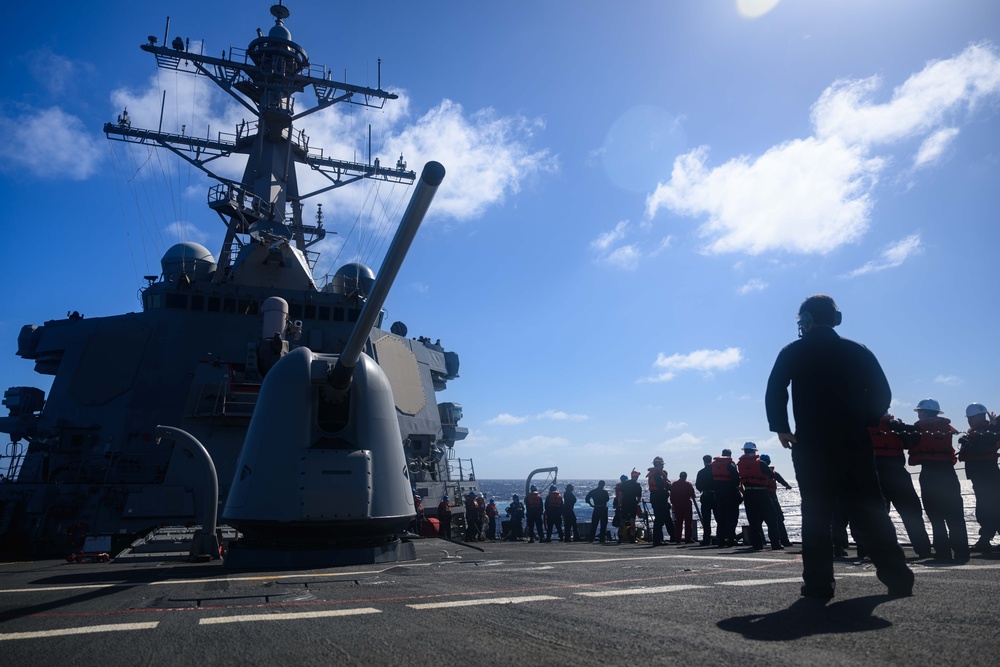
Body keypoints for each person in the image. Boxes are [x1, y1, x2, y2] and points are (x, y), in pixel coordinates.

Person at [765, 294, 913, 599]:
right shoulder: (856, 349)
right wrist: (867, 418)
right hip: (855, 440)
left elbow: (775, 388)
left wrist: (781, 427)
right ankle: (898, 577)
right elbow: (882, 392)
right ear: (836, 319)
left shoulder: (793, 350)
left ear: (805, 321)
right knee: (870, 509)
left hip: (811, 443)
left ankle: (819, 585)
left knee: (816, 513)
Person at [901, 398, 969, 562]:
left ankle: (942, 553)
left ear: (923, 413)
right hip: (948, 472)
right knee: (956, 515)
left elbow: (906, 444)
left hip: (929, 473)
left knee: (936, 517)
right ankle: (962, 552)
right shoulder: (947, 428)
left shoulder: (917, 429)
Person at [869, 413, 932, 557]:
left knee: (877, 515)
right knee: (911, 512)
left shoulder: (867, 425)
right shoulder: (895, 425)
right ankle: (923, 549)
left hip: (876, 473)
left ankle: (877, 550)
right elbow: (912, 440)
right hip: (896, 473)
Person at [958, 403, 1000, 553]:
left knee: (987, 509)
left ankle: (984, 540)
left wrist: (966, 444)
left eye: (971, 418)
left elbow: (979, 448)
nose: (969, 421)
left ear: (978, 417)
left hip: (986, 475)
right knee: (992, 507)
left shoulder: (985, 433)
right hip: (984, 476)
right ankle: (985, 540)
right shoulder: (985, 431)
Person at [737, 442, 783, 551]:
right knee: (772, 519)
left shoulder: (740, 464)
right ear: (754, 450)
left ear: (744, 451)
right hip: (762, 492)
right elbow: (771, 475)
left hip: (748, 493)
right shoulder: (761, 463)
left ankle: (757, 545)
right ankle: (775, 544)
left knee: (753, 521)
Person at [759, 454, 793, 547]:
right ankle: (784, 541)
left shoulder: (757, 473)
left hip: (759, 498)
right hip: (772, 498)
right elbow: (781, 480)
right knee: (778, 519)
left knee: (758, 522)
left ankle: (760, 542)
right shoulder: (773, 472)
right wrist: (787, 486)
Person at [711, 449, 741, 547]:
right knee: (732, 517)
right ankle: (731, 539)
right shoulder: (730, 465)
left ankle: (721, 539)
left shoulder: (714, 465)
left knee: (721, 517)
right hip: (730, 494)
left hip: (719, 495)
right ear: (730, 455)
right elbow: (737, 478)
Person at [646, 456, 673, 546]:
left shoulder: (654, 474)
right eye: (662, 464)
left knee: (659, 519)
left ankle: (657, 539)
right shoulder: (658, 475)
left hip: (654, 497)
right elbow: (661, 487)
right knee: (659, 519)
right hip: (660, 498)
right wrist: (667, 491)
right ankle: (657, 540)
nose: (662, 466)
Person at [670, 472, 697, 543]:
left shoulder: (674, 484)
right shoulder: (688, 484)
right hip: (686, 505)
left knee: (678, 522)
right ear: (685, 477)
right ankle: (688, 538)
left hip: (677, 505)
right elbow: (693, 495)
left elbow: (672, 496)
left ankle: (677, 538)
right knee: (688, 522)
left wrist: (673, 504)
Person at [695, 455, 716, 545]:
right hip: (715, 495)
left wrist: (702, 489)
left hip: (706, 495)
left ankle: (706, 539)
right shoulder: (715, 471)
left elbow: (697, 485)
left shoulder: (701, 472)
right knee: (719, 518)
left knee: (706, 519)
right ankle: (721, 537)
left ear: (704, 461)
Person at [617, 471, 643, 544]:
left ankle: (620, 537)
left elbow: (620, 495)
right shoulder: (637, 485)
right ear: (637, 477)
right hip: (633, 503)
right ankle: (632, 537)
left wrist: (619, 504)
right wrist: (636, 503)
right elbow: (639, 498)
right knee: (632, 521)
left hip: (625, 503)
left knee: (622, 520)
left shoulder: (625, 484)